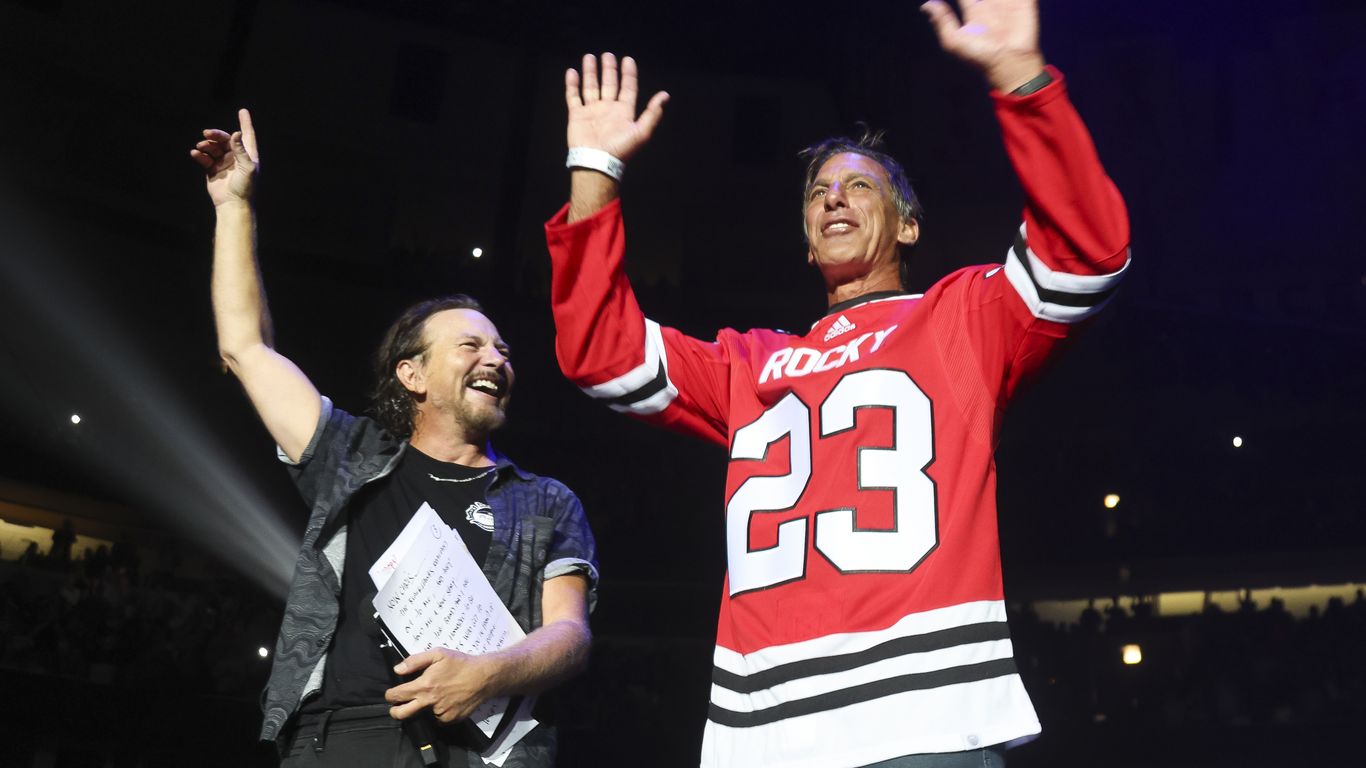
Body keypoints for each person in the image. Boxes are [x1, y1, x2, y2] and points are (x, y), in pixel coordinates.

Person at [543, 1, 1129, 765]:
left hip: (926, 718)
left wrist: (1022, 77)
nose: (833, 199)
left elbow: (1088, 251)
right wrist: (596, 171)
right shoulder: (747, 363)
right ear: (806, 237)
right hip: (767, 733)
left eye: (858, 187)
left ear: (908, 225)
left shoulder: (962, 317)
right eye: (820, 192)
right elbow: (602, 352)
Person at [192, 110, 597, 767]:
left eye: (502, 347)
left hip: (478, 754)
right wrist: (234, 205)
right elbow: (244, 348)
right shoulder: (348, 457)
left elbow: (570, 636)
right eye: (470, 344)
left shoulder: (546, 502)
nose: (494, 357)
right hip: (342, 740)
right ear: (412, 373)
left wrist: (485, 675)